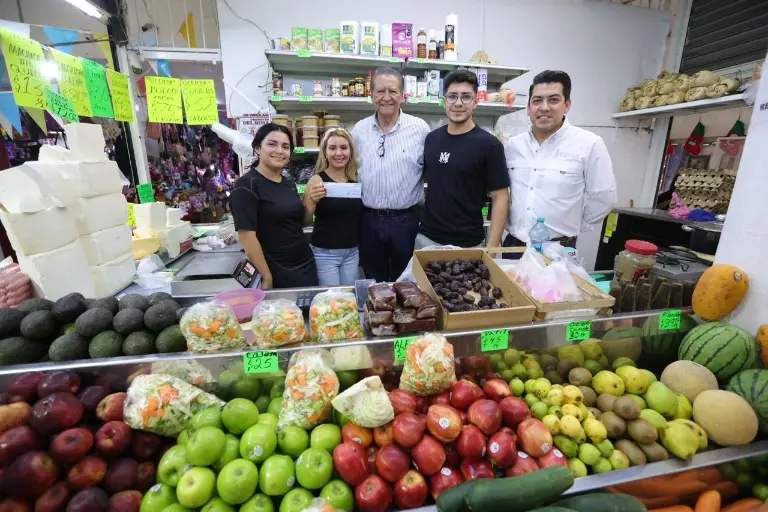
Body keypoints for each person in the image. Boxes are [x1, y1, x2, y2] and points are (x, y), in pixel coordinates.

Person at [504, 70, 616, 258]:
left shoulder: (588, 144)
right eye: (537, 101)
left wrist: (572, 226)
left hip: (557, 250)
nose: (544, 107)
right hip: (514, 247)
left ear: (567, 104)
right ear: (529, 107)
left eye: (553, 100)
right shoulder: (513, 146)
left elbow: (604, 197)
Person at [352, 67, 430, 282]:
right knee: (373, 280)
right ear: (371, 96)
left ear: (403, 96)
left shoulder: (419, 129)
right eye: (380, 91)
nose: (386, 97)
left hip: (407, 220)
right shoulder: (359, 130)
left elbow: (431, 172)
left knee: (406, 281)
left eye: (393, 91)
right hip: (368, 219)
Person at [417, 69, 510, 249]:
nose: (458, 103)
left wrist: (491, 248)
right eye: (452, 96)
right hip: (426, 238)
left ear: (475, 102)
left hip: (468, 243)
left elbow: (500, 197)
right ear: (444, 101)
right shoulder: (432, 139)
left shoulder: (490, 145)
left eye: (466, 97)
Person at [230, 123, 318, 289]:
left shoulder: (288, 183)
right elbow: (247, 236)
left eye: (285, 146)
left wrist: (310, 201)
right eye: (272, 144)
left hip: (305, 264)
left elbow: (299, 223)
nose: (279, 151)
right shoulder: (246, 185)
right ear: (257, 147)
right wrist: (266, 276)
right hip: (276, 268)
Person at [303, 128, 363, 286]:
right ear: (325, 152)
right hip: (325, 253)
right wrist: (311, 201)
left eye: (344, 147)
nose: (338, 153)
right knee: (331, 299)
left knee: (348, 298)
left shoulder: (355, 180)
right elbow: (305, 220)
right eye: (332, 148)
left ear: (350, 150)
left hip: (352, 252)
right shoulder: (317, 180)